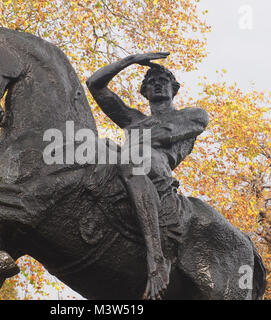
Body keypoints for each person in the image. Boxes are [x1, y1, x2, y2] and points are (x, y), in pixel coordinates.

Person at [86, 52, 208, 299]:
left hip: (156, 167)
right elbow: (94, 85)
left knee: (132, 157)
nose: (158, 83)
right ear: (145, 92)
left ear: (174, 89)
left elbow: (164, 134)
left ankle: (157, 259)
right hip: (126, 161)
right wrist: (129, 60)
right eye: (152, 81)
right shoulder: (132, 119)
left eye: (164, 79)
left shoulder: (193, 115)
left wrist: (118, 147)